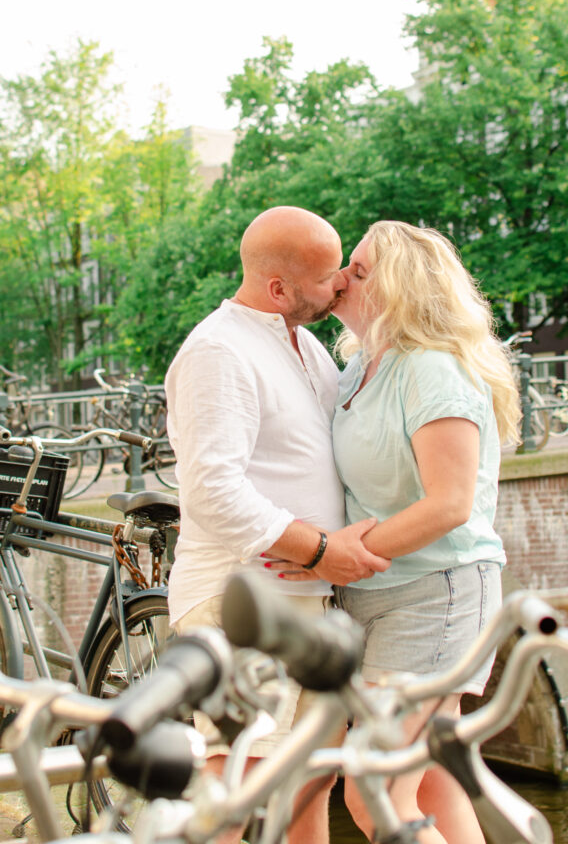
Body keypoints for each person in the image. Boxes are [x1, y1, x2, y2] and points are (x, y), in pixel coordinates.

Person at [280, 220, 520, 844]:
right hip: (373, 599)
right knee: (432, 784)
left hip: (436, 595)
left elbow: (450, 505)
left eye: (357, 272)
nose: (339, 281)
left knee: (377, 790)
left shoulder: (432, 370)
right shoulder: (359, 368)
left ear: (399, 288)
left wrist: (331, 556)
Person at [164, 205, 389, 844]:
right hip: (242, 603)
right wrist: (318, 548)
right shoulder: (218, 350)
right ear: (277, 288)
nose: (341, 283)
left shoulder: (304, 344)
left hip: (305, 603)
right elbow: (212, 490)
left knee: (309, 784)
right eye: (326, 276)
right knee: (229, 787)